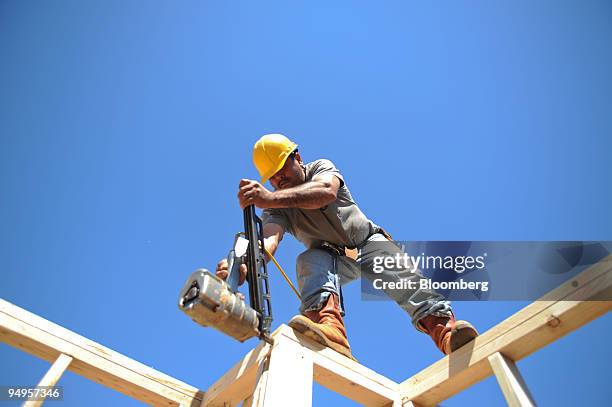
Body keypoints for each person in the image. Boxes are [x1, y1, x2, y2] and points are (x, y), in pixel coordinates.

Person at [216, 133, 478, 360]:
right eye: (272, 178)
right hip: (332, 259)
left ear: (297, 157)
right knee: (309, 260)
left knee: (402, 277)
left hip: (365, 243)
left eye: (281, 169)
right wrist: (245, 263)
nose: (278, 179)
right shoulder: (277, 209)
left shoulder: (321, 168)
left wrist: (269, 197)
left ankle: (447, 334)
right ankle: (330, 329)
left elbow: (326, 192)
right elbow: (269, 240)